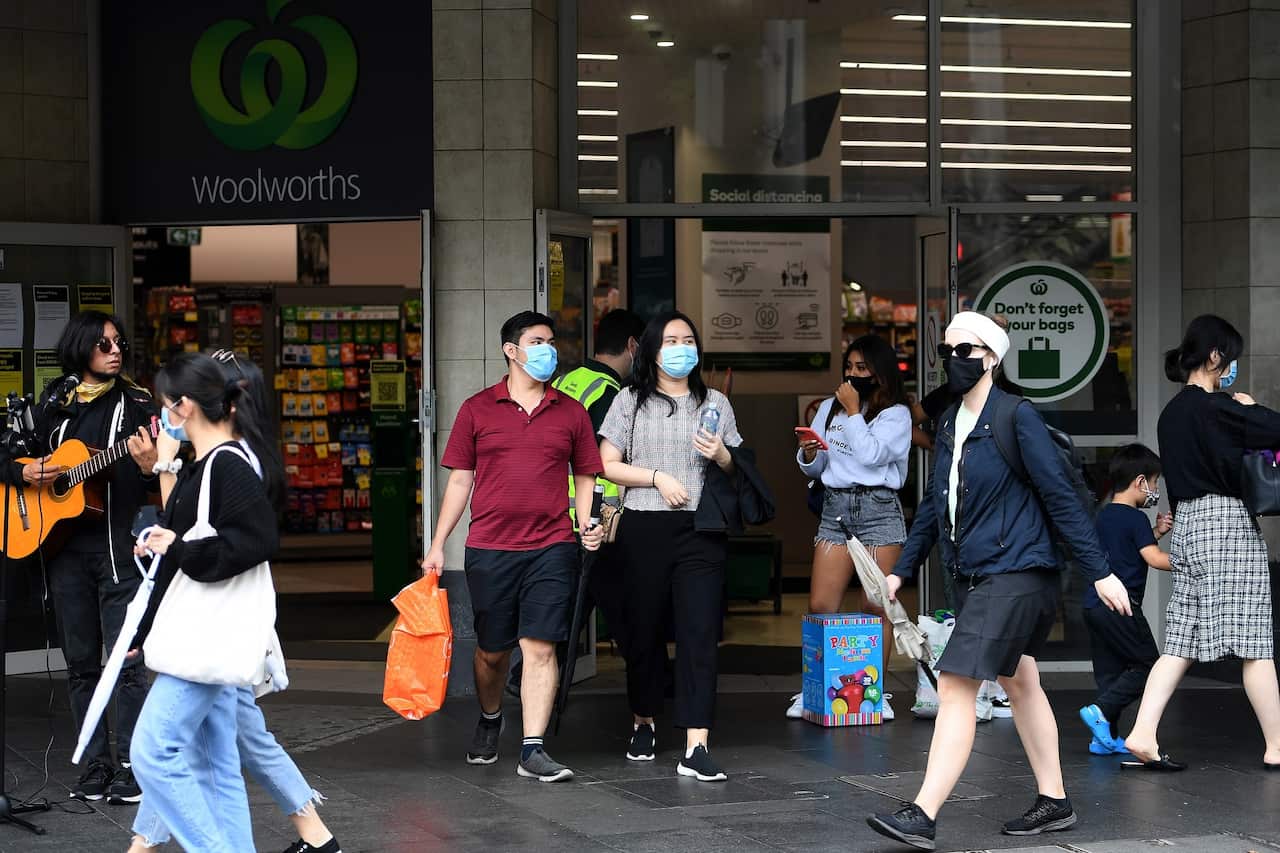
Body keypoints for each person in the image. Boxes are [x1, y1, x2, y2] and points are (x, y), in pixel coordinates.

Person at [866, 311, 1131, 851]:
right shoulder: (948, 424)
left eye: (966, 351)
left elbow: (1060, 497)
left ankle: (923, 811)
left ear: (991, 357)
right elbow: (932, 510)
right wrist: (900, 571)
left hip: (1018, 573)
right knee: (1021, 681)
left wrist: (1100, 571)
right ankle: (1055, 801)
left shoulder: (1017, 416)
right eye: (947, 351)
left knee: (956, 682)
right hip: (978, 577)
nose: (955, 360)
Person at [127, 350, 340, 853]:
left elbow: (231, 543)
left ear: (192, 404)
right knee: (220, 749)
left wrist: (173, 535)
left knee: (160, 751)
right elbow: (188, 533)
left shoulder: (230, 462)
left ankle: (304, 833)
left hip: (211, 629)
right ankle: (312, 833)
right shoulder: (233, 458)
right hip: (211, 629)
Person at [423, 311, 604, 783]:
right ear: (511, 350)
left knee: (540, 647)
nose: (550, 349)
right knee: (492, 653)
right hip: (490, 547)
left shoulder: (571, 411)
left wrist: (587, 523)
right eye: (538, 341)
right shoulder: (477, 409)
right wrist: (438, 543)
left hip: (552, 546)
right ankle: (489, 718)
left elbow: (586, 475)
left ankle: (533, 748)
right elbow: (461, 481)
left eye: (551, 340)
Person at [0, 311, 156, 803]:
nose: (115, 350)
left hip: (117, 554)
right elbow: (10, 457)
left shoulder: (138, 404)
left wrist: (151, 465)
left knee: (127, 663)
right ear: (80, 348)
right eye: (103, 343)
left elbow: (159, 476)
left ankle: (132, 766)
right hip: (64, 554)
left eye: (119, 343)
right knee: (82, 663)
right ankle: (94, 765)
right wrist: (26, 473)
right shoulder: (55, 402)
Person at [1122, 314, 1280, 771]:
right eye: (1229, 357)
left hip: (1189, 523)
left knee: (1181, 640)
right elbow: (1274, 428)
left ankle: (1143, 732)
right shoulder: (1220, 408)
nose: (1232, 366)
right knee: (1254, 641)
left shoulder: (1172, 413)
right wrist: (1248, 407)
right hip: (1226, 524)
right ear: (1215, 356)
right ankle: (1275, 745)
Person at [598, 311, 743, 782]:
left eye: (689, 339)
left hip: (701, 531)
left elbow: (737, 466)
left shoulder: (714, 400)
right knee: (643, 630)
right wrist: (657, 478)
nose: (682, 347)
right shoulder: (630, 401)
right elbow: (607, 464)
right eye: (672, 340)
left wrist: (721, 455)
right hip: (643, 528)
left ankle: (696, 744)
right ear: (652, 350)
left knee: (699, 633)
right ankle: (643, 718)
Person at [507, 308, 646, 695]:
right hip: (597, 520)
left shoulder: (567, 381)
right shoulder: (610, 393)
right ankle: (649, 681)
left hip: (560, 516)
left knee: (575, 605)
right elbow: (606, 462)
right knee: (617, 605)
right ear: (633, 347)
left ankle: (531, 676)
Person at [789, 335, 912, 721]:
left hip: (878, 507)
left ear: (880, 372)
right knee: (821, 606)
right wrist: (808, 454)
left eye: (863, 368)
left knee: (876, 606)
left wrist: (855, 411)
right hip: (835, 508)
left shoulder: (896, 414)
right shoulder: (829, 408)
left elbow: (872, 455)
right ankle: (817, 688)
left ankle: (877, 692)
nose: (853, 374)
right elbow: (818, 468)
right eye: (850, 367)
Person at [1076, 444, 1172, 757]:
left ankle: (1102, 738)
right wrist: (1193, 560)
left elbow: (1126, 552)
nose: (1155, 491)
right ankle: (1101, 712)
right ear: (1140, 481)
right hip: (1122, 605)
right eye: (1155, 483)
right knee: (1149, 666)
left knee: (1110, 674)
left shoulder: (1105, 515)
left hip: (1095, 604)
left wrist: (1155, 533)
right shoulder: (1134, 518)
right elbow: (1154, 560)